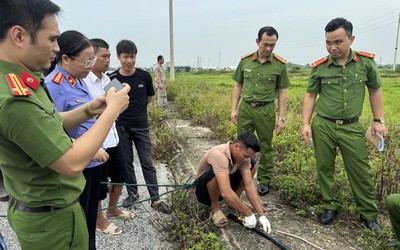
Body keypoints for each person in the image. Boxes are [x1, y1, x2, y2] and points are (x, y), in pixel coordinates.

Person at [0, 1, 130, 249]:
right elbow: (70, 162)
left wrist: (90, 109)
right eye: (52, 39)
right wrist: (111, 112)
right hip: (52, 219)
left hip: (52, 210)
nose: (57, 49)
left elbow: (52, 121)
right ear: (19, 35)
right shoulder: (14, 98)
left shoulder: (23, 79)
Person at [301, 17, 388, 233]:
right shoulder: (320, 67)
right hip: (323, 125)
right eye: (328, 42)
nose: (332, 47)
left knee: (360, 170)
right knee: (324, 167)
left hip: (351, 126)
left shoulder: (365, 63)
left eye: (338, 42)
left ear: (351, 39)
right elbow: (310, 95)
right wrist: (305, 123)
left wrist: (378, 120)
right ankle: (329, 206)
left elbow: (375, 89)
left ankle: (368, 214)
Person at [44, 30, 121, 250]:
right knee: (78, 220)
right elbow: (53, 129)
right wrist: (81, 146)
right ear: (65, 58)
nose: (90, 66)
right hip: (80, 163)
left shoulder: (78, 81)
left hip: (93, 160)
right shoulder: (55, 85)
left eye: (92, 60)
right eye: (86, 61)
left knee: (89, 218)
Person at [108, 40, 171, 214]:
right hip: (121, 127)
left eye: (132, 56)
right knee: (127, 163)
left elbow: (149, 98)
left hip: (141, 127)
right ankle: (133, 193)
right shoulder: (113, 78)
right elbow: (110, 102)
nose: (129, 60)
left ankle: (155, 199)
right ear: (119, 57)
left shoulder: (143, 76)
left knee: (147, 163)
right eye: (125, 57)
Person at [231, 26, 290, 196]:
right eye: (265, 44)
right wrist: (234, 108)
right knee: (240, 144)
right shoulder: (245, 61)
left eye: (272, 45)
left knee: (265, 146)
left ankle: (263, 180)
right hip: (246, 108)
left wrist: (281, 118)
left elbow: (282, 92)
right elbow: (238, 85)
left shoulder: (279, 65)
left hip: (265, 110)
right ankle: (238, 177)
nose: (269, 48)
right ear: (258, 42)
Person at [84, 38, 134, 235]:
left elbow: (123, 102)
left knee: (121, 174)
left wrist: (120, 99)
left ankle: (113, 208)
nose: (108, 60)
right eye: (104, 56)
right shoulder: (85, 81)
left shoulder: (107, 80)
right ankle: (98, 219)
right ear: (92, 57)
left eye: (109, 56)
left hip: (113, 137)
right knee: (99, 183)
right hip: (98, 141)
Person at [194, 131, 271, 232]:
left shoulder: (243, 158)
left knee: (253, 164)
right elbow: (225, 192)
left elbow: (249, 184)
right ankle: (215, 207)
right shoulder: (219, 154)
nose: (246, 159)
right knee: (217, 171)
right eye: (245, 155)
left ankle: (235, 200)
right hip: (204, 191)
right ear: (236, 146)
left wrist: (262, 215)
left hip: (223, 185)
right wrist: (248, 213)